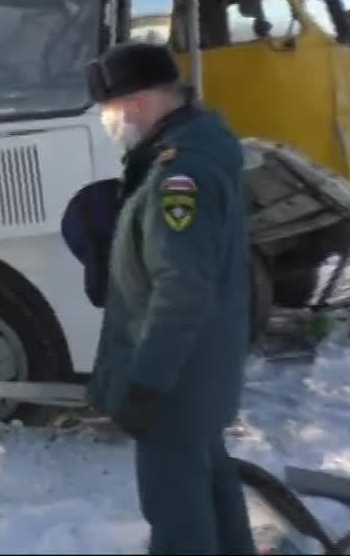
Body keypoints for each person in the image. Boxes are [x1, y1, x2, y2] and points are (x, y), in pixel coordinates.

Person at [83, 43, 255, 555]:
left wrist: (146, 384)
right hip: (199, 371)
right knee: (213, 487)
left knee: (177, 512)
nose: (109, 123)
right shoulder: (195, 150)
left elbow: (181, 289)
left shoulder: (177, 175)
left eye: (108, 112)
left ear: (134, 104)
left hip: (177, 380)